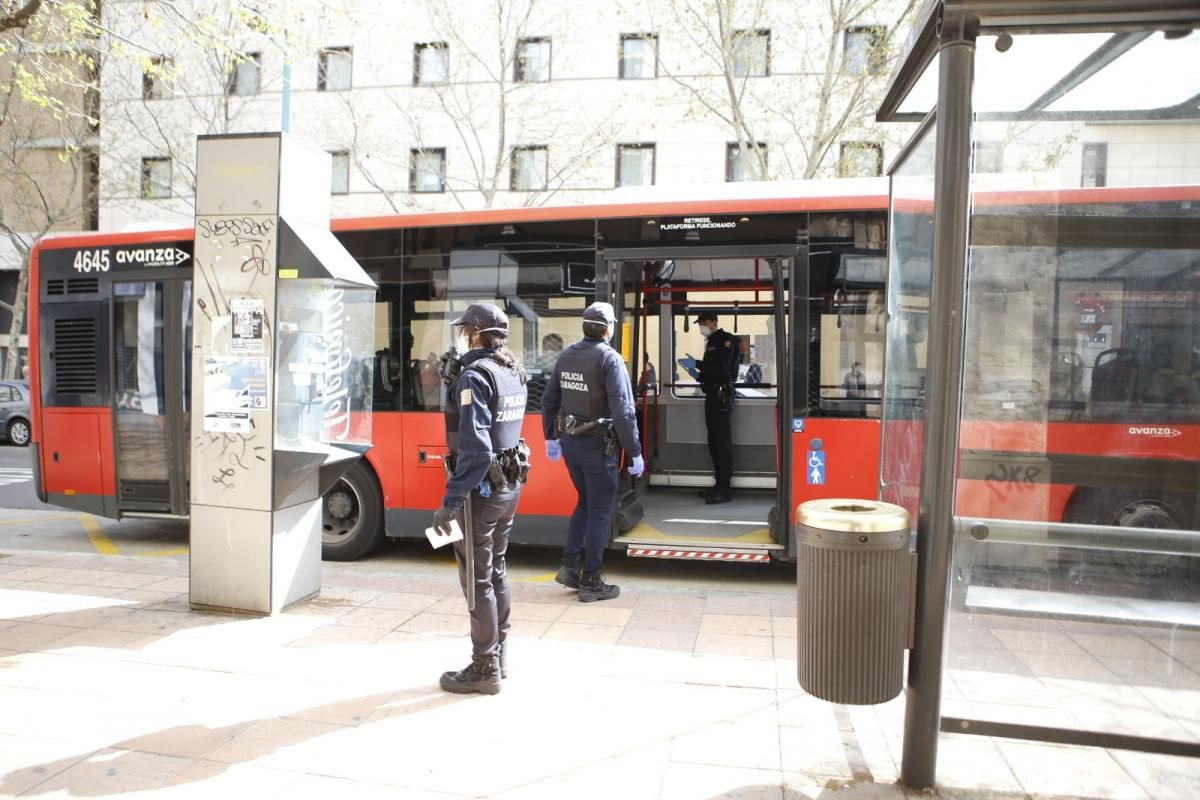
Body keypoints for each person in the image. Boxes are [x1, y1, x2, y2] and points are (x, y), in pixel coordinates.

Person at [431, 303, 531, 695]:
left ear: (474, 333)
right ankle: (499, 653)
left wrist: (450, 500)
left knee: (477, 578)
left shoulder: (475, 376)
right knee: (497, 569)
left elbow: (476, 450)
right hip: (509, 486)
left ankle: (484, 666)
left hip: (480, 493)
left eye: (463, 330)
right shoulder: (512, 371)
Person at [542, 301, 644, 602]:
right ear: (608, 329)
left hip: (571, 443)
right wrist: (634, 451)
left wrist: (550, 437)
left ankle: (570, 566)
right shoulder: (609, 359)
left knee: (585, 502)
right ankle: (591, 580)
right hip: (598, 446)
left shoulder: (567, 355)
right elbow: (623, 412)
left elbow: (549, 400)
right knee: (600, 510)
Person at [682, 311, 739, 505]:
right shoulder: (711, 342)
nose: (701, 326)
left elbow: (723, 369)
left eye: (704, 322)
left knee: (722, 444)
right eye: (700, 323)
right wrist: (697, 375)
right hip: (712, 396)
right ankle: (718, 485)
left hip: (722, 398)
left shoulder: (726, 340)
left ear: (714, 322)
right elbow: (711, 371)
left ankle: (725, 489)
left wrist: (697, 364)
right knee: (713, 442)